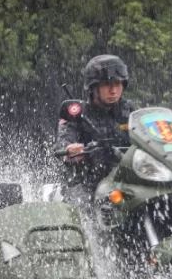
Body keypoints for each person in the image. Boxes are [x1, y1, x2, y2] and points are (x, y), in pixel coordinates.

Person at [57, 54, 135, 203]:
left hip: (124, 178)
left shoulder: (129, 109)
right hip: (86, 181)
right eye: (107, 84)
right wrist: (70, 149)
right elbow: (63, 141)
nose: (113, 90)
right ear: (93, 87)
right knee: (80, 208)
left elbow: (150, 133)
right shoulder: (77, 113)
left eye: (118, 84)